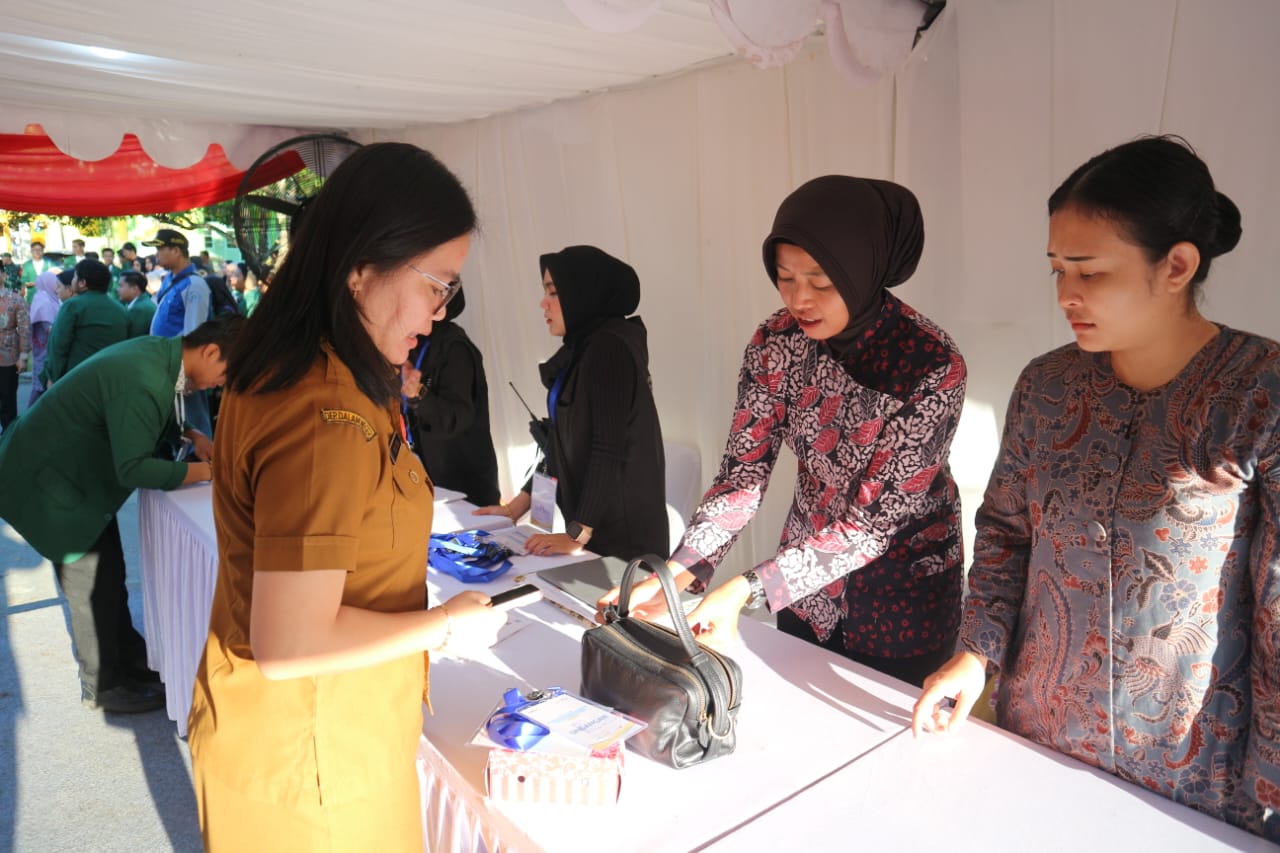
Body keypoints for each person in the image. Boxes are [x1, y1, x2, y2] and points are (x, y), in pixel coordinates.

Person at [912, 136, 1280, 841]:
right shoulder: (1048, 386)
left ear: (1176, 266)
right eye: (1057, 270)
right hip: (1038, 737)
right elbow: (1006, 533)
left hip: (1191, 772)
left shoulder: (1259, 394)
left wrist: (1271, 783)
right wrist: (975, 653)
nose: (1065, 296)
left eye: (1091, 272)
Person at [186, 142, 505, 851]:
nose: (440, 312)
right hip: (313, 764)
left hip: (312, 742)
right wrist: (443, 624)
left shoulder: (317, 371)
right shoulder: (323, 413)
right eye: (437, 286)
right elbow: (291, 642)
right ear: (360, 269)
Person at [604, 176, 967, 688]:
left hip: (902, 595)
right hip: (803, 588)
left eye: (821, 282)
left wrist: (750, 587)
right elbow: (741, 477)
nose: (799, 299)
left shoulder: (931, 365)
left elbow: (871, 528)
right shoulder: (776, 342)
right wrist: (678, 572)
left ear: (863, 271)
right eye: (785, 277)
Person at [0, 315, 242, 712]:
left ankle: (130, 659)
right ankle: (104, 684)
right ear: (211, 351)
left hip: (73, 473)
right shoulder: (146, 377)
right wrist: (209, 472)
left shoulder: (161, 356)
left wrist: (190, 434)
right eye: (226, 374)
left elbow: (148, 414)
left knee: (110, 574)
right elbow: (134, 469)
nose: (221, 384)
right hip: (51, 480)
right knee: (91, 584)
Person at [476, 245, 668, 560]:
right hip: (595, 531)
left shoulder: (609, 348)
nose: (543, 303)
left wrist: (578, 532)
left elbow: (608, 448)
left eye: (553, 292)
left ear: (583, 293)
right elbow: (559, 444)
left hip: (621, 542)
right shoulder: (584, 348)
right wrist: (517, 507)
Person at [401, 290, 501, 506]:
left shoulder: (454, 346)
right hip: (432, 480)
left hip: (465, 488)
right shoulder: (418, 345)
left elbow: (456, 418)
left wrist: (419, 395)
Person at [145, 228, 214, 437]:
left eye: (160, 249)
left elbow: (195, 332)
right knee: (177, 422)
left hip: (182, 367)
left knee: (193, 424)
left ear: (176, 250)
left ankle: (203, 457)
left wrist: (189, 375)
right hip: (168, 364)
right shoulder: (169, 280)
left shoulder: (195, 285)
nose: (157, 255)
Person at [40, 260, 128, 387]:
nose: (72, 280)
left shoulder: (72, 305)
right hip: (110, 377)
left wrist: (52, 377)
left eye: (75, 277)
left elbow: (58, 345)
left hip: (78, 376)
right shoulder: (120, 309)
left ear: (82, 283)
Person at [27, 270, 61, 405]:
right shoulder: (44, 301)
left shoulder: (47, 297)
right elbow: (49, 327)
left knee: (43, 386)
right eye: (55, 283)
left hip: (44, 348)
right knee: (41, 386)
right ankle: (29, 416)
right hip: (45, 350)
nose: (57, 286)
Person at [0, 281, 29, 430]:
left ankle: (9, 436)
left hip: (8, 358)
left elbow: (25, 328)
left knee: (7, 398)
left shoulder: (15, 299)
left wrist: (23, 356)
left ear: (3, 275)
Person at [118, 271, 156, 338]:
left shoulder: (139, 309)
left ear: (134, 289)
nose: (117, 289)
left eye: (121, 286)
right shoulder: (144, 302)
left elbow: (133, 339)